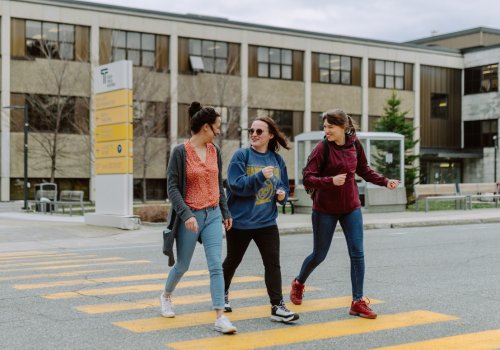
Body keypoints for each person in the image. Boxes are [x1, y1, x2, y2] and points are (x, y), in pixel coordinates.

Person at [289, 109, 400, 319]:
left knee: (357, 253)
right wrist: (330, 181)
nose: (326, 130)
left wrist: (385, 181)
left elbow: (364, 170)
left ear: (344, 128)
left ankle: (357, 302)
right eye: (325, 126)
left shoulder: (354, 145)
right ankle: (299, 282)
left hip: (351, 207)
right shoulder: (322, 148)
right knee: (319, 255)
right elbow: (307, 178)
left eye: (331, 126)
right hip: (325, 210)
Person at [160, 101, 237, 334]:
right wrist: (186, 215)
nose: (219, 131)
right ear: (206, 127)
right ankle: (165, 295)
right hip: (190, 216)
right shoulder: (180, 152)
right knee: (182, 265)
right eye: (217, 127)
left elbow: (218, 184)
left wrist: (225, 212)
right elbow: (172, 188)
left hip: (213, 214)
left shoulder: (216, 151)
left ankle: (219, 317)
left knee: (216, 265)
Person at [223, 116, 299, 323]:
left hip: (267, 222)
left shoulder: (276, 160)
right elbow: (235, 185)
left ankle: (277, 306)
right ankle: (222, 295)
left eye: (259, 131)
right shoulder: (242, 155)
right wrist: (260, 177)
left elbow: (282, 185)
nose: (253, 135)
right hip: (240, 222)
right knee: (232, 261)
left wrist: (282, 194)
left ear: (270, 135)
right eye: (251, 131)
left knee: (272, 264)